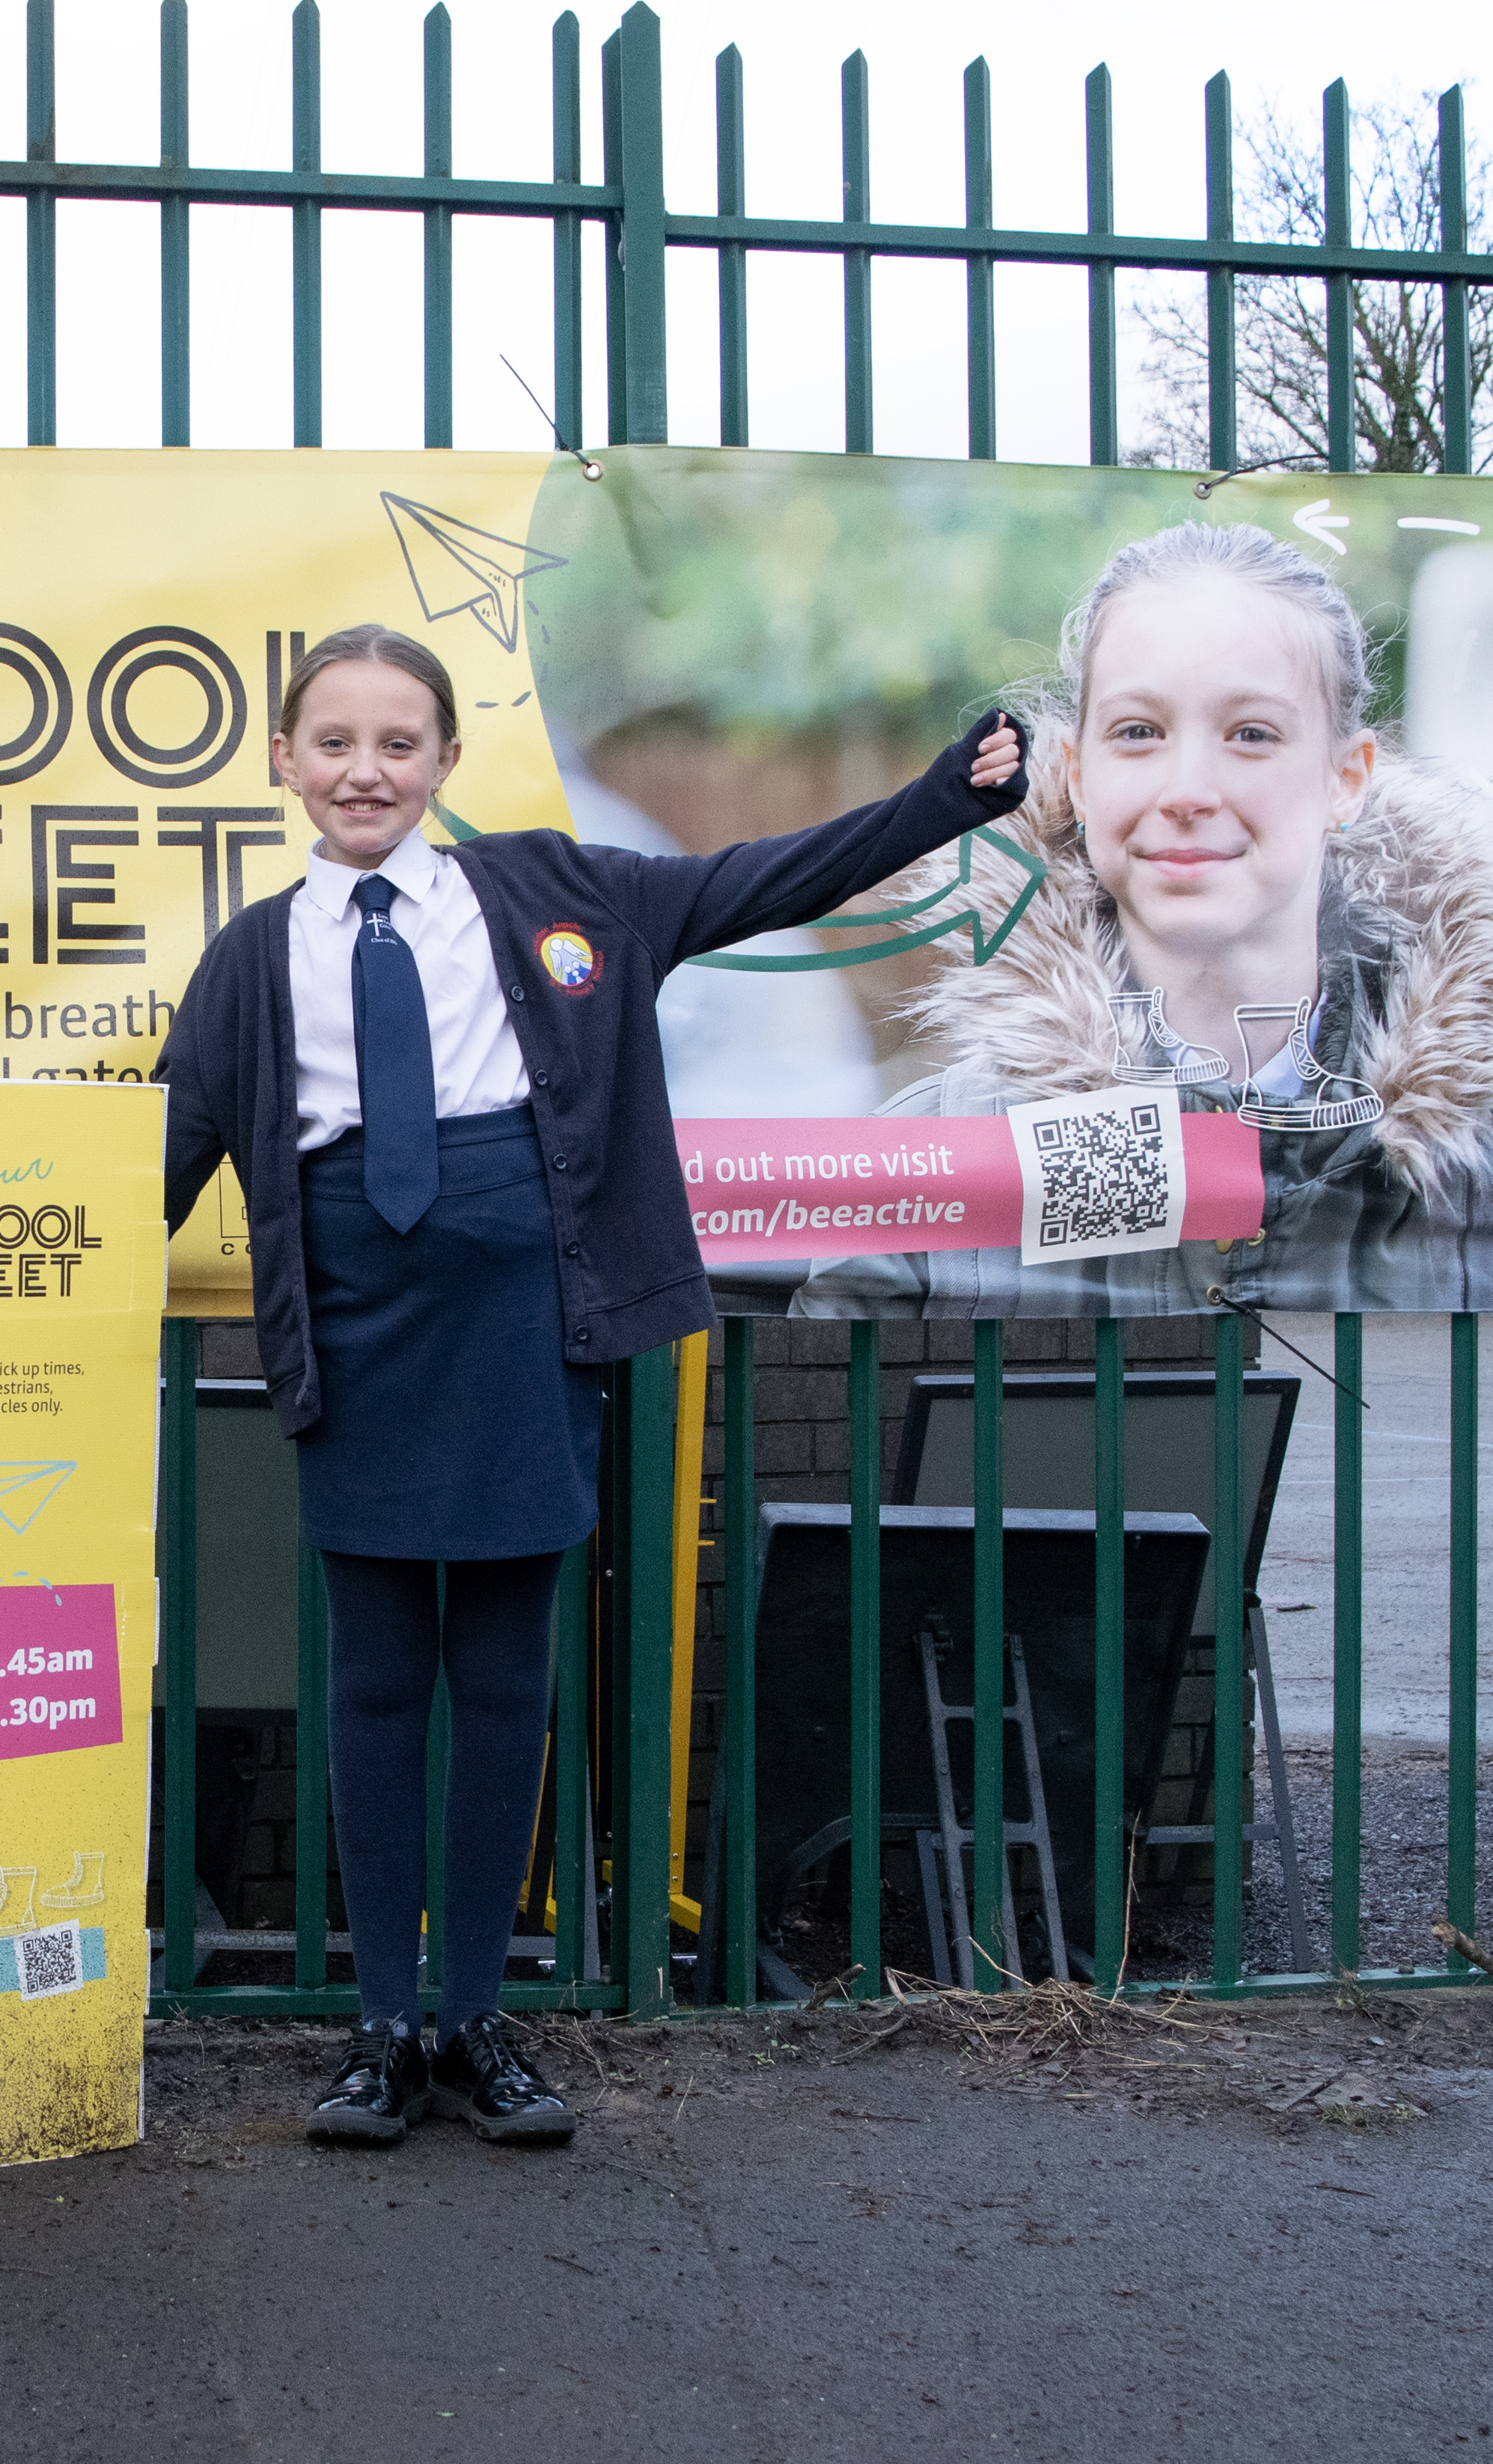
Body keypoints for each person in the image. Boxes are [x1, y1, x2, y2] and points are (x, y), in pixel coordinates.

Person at [157, 623, 1024, 2148]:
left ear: (439, 763)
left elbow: (769, 875)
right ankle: (374, 2032)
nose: (363, 767)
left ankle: (475, 2014)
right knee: (369, 1683)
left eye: (395, 741)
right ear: (282, 761)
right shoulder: (247, 962)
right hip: (356, 1346)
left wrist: (946, 796)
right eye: (333, 740)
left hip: (518, 1338)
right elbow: (147, 1169)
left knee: (501, 1679)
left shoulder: (561, 894)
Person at [792, 520, 1493, 1317]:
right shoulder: (926, 1161)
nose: (1186, 789)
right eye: (1137, 732)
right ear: (1077, 774)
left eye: (1250, 734)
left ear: (1344, 780)